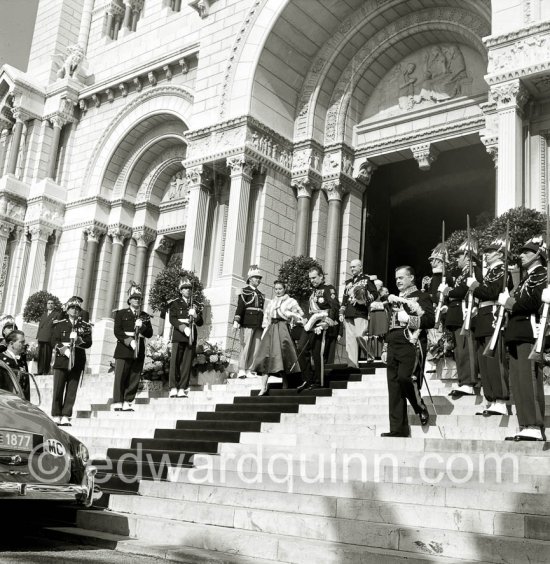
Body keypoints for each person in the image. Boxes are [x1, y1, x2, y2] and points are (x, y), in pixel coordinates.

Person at [499, 237, 547, 441]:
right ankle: (525, 424)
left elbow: (531, 301)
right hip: (516, 332)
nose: (521, 255)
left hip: (529, 331)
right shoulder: (527, 277)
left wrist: (509, 302)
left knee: (528, 379)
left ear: (538, 255)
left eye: (526, 252)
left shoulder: (542, 274)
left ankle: (534, 425)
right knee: (518, 381)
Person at [382, 266, 433, 437]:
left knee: (406, 378)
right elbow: (389, 324)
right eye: (396, 278)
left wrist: (409, 319)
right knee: (394, 387)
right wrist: (385, 347)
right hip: (393, 343)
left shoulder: (422, 296)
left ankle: (420, 407)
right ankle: (398, 429)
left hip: (410, 342)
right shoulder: (393, 298)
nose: (398, 281)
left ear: (411, 278)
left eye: (402, 277)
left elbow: (430, 320)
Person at [467, 237, 512, 416]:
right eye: (485, 252)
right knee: (484, 361)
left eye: (490, 252)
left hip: (494, 315)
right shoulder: (490, 272)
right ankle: (491, 399)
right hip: (483, 317)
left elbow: (493, 292)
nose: (486, 255)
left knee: (494, 359)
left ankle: (500, 400)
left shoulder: (502, 270)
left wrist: (475, 286)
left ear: (500, 254)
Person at [440, 240, 481, 398]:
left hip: (466, 314)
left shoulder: (473, 271)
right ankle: (464, 380)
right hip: (457, 314)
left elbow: (464, 290)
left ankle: (469, 382)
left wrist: (448, 291)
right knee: (460, 350)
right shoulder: (463, 273)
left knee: (467, 350)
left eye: (459, 256)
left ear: (467, 257)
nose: (456, 259)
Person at [253, 280, 305, 395]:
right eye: (276, 289)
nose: (278, 291)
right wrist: (265, 330)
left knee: (282, 356)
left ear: (285, 289)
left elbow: (300, 315)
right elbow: (267, 317)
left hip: (283, 330)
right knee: (265, 356)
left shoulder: (291, 301)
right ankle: (263, 386)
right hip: (271, 330)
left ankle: (285, 382)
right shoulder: (271, 302)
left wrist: (290, 315)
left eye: (280, 289)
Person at [50, 298, 92, 425]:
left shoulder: (85, 326)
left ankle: (66, 415)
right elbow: (53, 340)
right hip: (62, 359)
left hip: (77, 360)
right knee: (58, 388)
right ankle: (56, 414)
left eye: (77, 309)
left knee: (71, 390)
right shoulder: (60, 324)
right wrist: (64, 350)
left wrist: (78, 340)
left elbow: (89, 343)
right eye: (72, 308)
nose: (74, 310)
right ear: (67, 310)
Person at [297, 266, 340, 392]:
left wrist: (327, 322)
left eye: (314, 277)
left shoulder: (328, 288)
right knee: (300, 348)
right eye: (310, 278)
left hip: (321, 323)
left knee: (317, 353)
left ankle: (318, 381)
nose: (312, 280)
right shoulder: (312, 290)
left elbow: (334, 306)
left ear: (321, 276)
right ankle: (307, 378)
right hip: (311, 323)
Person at [112, 282, 153, 411]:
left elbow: (150, 334)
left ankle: (128, 401)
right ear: (129, 300)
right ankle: (118, 401)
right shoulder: (121, 313)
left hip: (139, 348)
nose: (137, 300)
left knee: (134, 376)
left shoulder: (145, 316)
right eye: (134, 298)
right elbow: (117, 331)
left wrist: (143, 326)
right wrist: (129, 341)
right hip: (124, 348)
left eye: (139, 298)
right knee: (121, 376)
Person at [168, 278, 203, 398]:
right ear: (181, 291)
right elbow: (172, 319)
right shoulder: (175, 303)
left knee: (186, 363)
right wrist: (183, 328)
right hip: (179, 335)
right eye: (185, 288)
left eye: (189, 288)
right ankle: (173, 387)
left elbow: (200, 323)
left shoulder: (196, 304)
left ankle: (182, 387)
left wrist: (196, 315)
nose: (188, 290)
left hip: (191, 335)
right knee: (175, 362)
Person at [339, 259, 377, 367]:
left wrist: (364, 300)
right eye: (351, 267)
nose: (352, 269)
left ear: (360, 267)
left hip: (360, 311)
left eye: (354, 267)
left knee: (361, 335)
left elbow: (375, 294)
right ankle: (352, 364)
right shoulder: (348, 282)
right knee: (350, 340)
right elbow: (344, 299)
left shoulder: (367, 279)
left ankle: (370, 355)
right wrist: (341, 312)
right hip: (349, 312)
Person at [233, 265, 265, 378]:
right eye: (256, 277)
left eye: (259, 278)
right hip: (247, 321)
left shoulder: (261, 294)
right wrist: (236, 320)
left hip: (258, 323)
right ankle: (241, 369)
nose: (258, 280)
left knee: (255, 348)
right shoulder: (244, 291)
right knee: (245, 346)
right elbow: (240, 306)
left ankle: (250, 369)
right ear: (250, 278)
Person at [0, 330, 30, 401]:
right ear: (11, 343)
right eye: (21, 342)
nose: (24, 344)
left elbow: (26, 386)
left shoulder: (22, 361)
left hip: (19, 403)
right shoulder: (1, 359)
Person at [36, 298, 62, 375]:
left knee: (47, 355)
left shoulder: (57, 314)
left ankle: (45, 371)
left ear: (54, 305)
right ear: (46, 305)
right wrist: (38, 336)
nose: (50, 305)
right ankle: (39, 371)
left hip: (49, 338)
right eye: (48, 303)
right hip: (41, 337)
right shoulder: (44, 315)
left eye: (52, 303)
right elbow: (40, 326)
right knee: (40, 355)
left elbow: (58, 326)